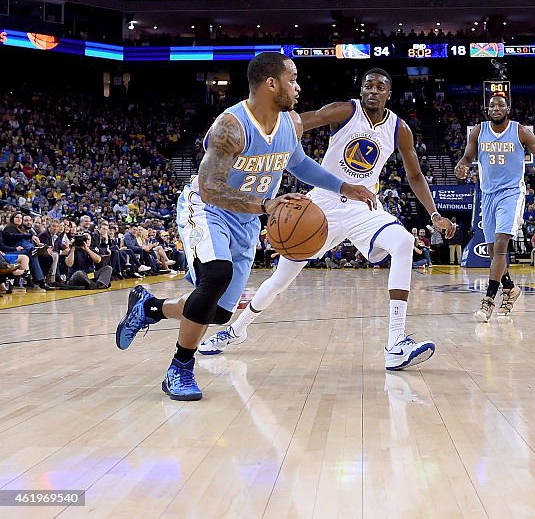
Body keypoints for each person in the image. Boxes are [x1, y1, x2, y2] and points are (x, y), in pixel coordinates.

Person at [114, 52, 375, 401]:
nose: (298, 87)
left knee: (219, 312)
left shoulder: (291, 124)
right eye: (292, 79)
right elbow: (211, 187)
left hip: (247, 219)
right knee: (216, 276)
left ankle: (149, 307)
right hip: (207, 210)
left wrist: (344, 187)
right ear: (271, 83)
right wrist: (266, 205)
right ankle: (179, 369)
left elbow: (298, 163)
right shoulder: (231, 126)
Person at [198, 68, 454, 370]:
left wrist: (435, 213)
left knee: (403, 242)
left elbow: (415, 174)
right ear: (361, 91)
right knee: (280, 280)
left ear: (389, 93)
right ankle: (235, 330)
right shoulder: (345, 110)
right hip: (322, 204)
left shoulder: (399, 129)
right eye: (368, 86)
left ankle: (396, 343)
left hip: (363, 204)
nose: (373, 91)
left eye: (380, 87)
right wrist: (257, 135)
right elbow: (299, 122)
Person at [455, 93, 535, 322]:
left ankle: (489, 300)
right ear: (487, 109)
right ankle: (511, 288)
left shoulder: (520, 131)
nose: (496, 108)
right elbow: (466, 158)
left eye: (500, 105)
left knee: (501, 244)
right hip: (488, 194)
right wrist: (461, 166)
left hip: (511, 193)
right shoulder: (478, 131)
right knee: (493, 251)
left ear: (508, 108)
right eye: (492, 105)